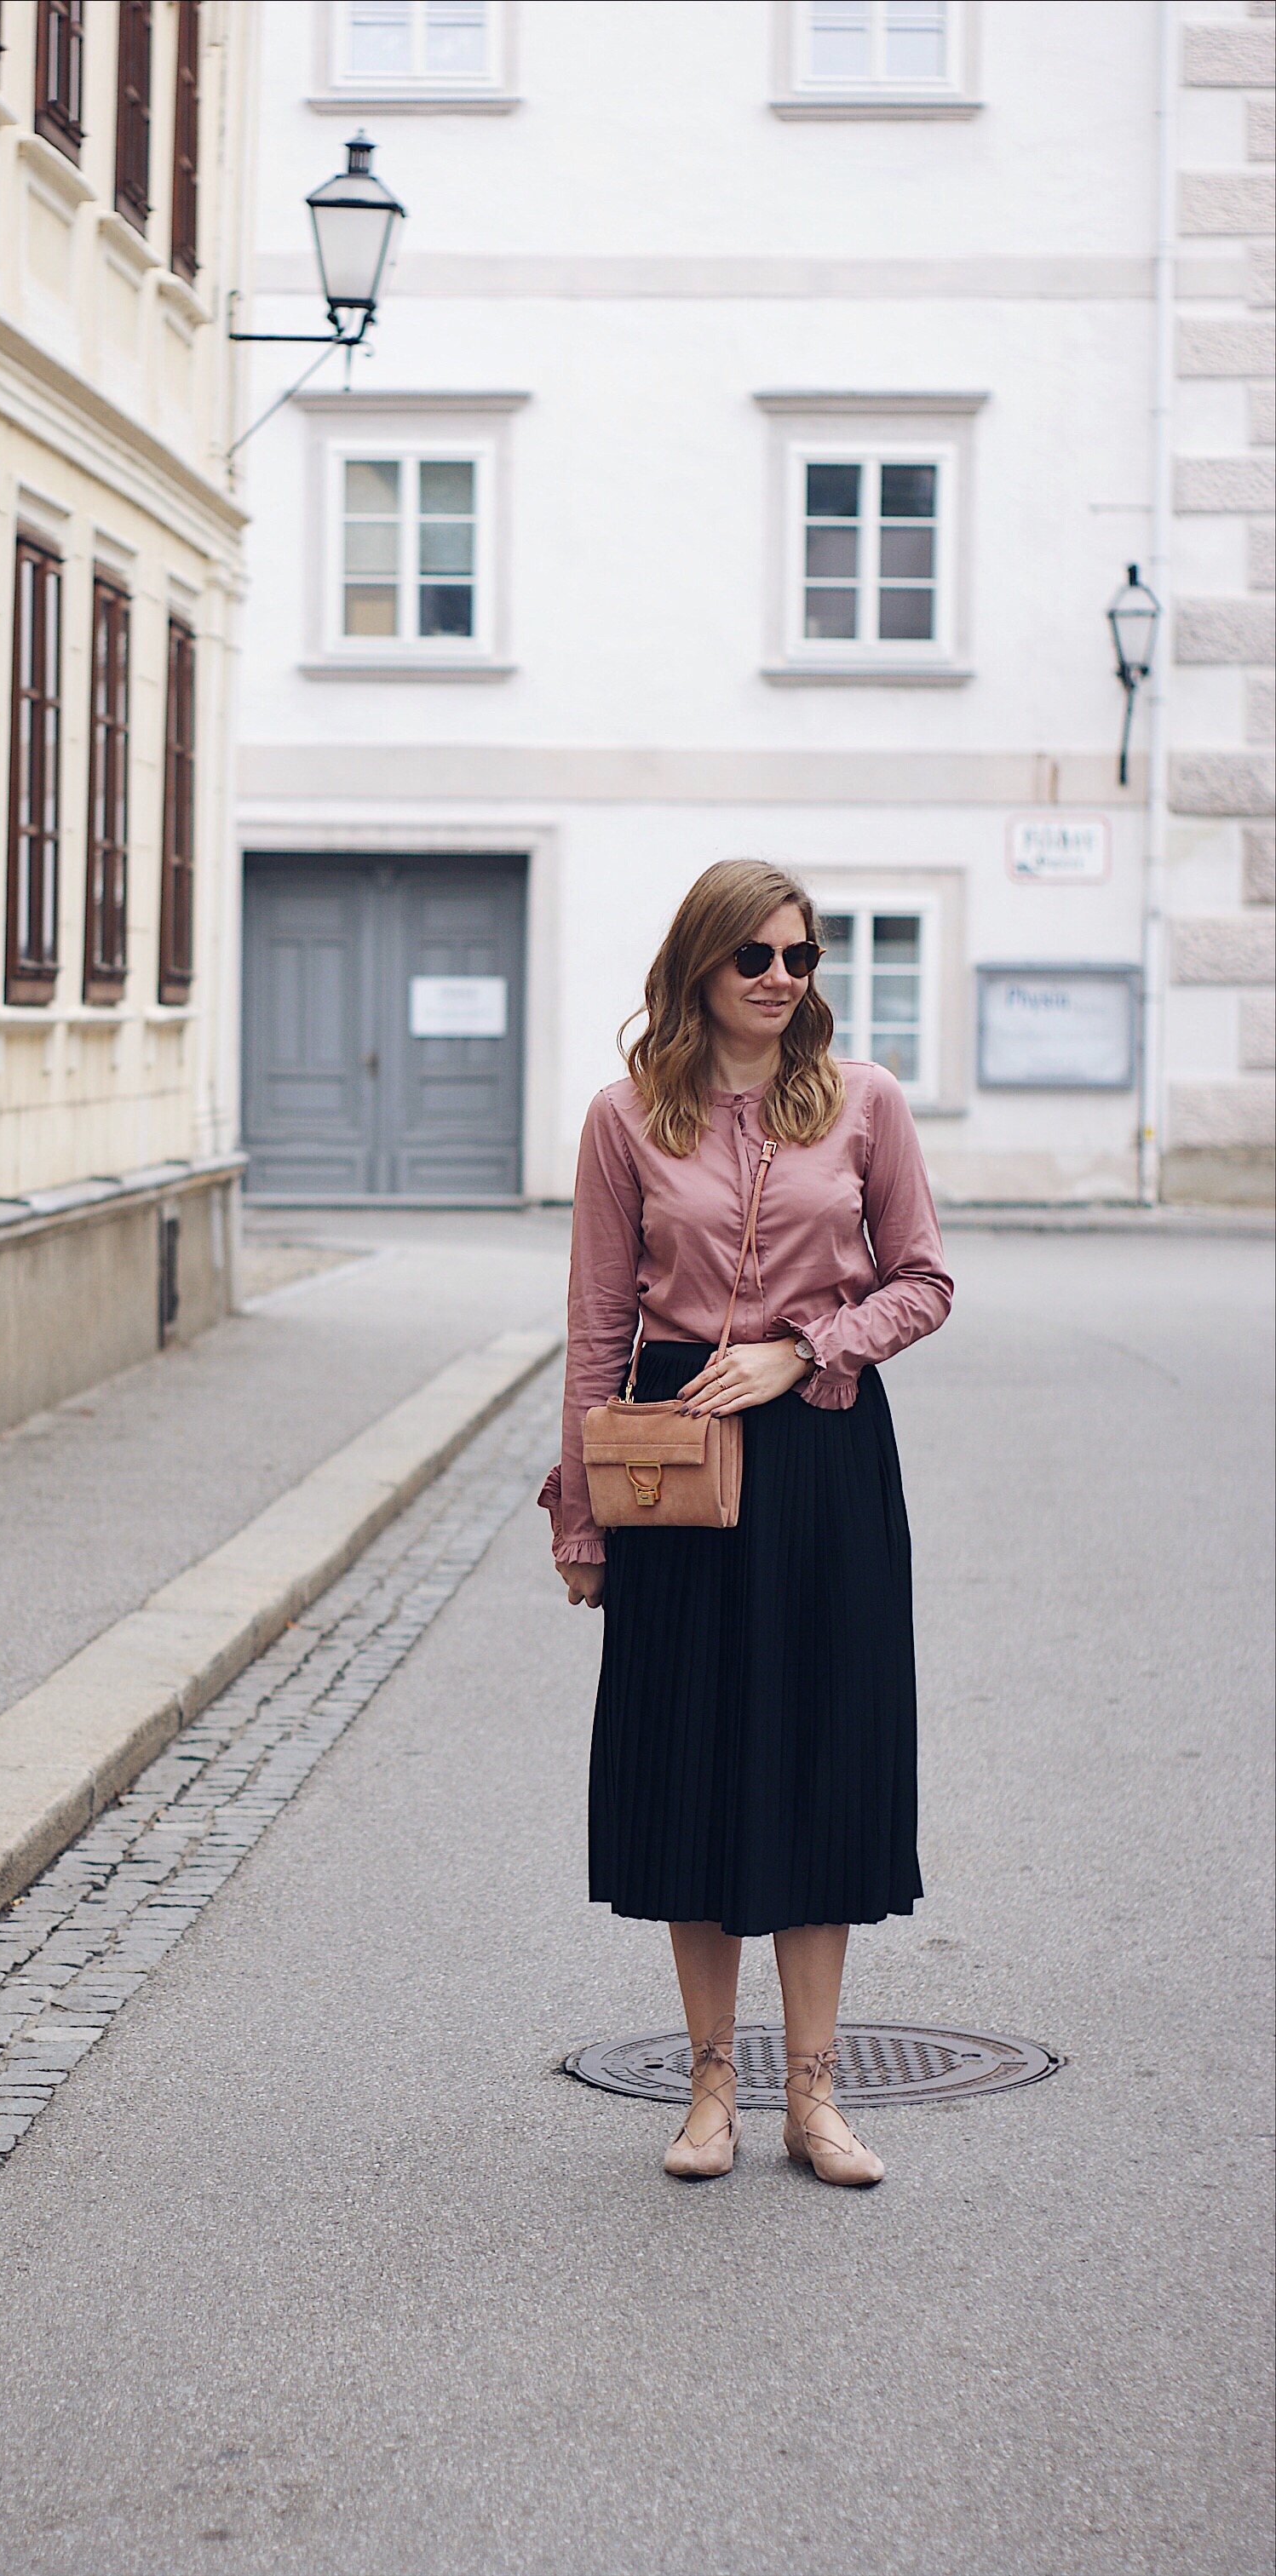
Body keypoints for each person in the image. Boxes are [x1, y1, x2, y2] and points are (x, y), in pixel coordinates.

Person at [544, 859, 952, 2186]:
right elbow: (598, 1326)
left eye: (802, 957)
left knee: (823, 1759)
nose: (782, 978)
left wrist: (807, 1345)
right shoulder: (625, 1118)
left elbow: (925, 1277)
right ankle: (709, 2086)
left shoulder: (865, 1103)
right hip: (672, 1457)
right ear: (700, 969)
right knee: (697, 1765)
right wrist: (579, 1519)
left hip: (824, 1447)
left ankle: (815, 2096)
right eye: (755, 957)